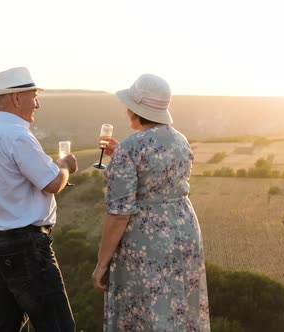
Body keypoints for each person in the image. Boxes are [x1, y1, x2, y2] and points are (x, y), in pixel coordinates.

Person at [91, 74, 210, 331]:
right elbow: (158, 172)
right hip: (184, 232)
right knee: (176, 308)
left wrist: (101, 264)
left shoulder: (131, 149)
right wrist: (123, 153)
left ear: (134, 109)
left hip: (147, 239)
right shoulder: (180, 140)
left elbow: (119, 214)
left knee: (144, 310)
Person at [0, 67, 77, 331]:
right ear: (17, 98)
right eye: (34, 96)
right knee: (58, 326)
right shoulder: (17, 136)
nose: (38, 104)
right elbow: (53, 183)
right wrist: (64, 166)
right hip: (26, 246)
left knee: (7, 326)